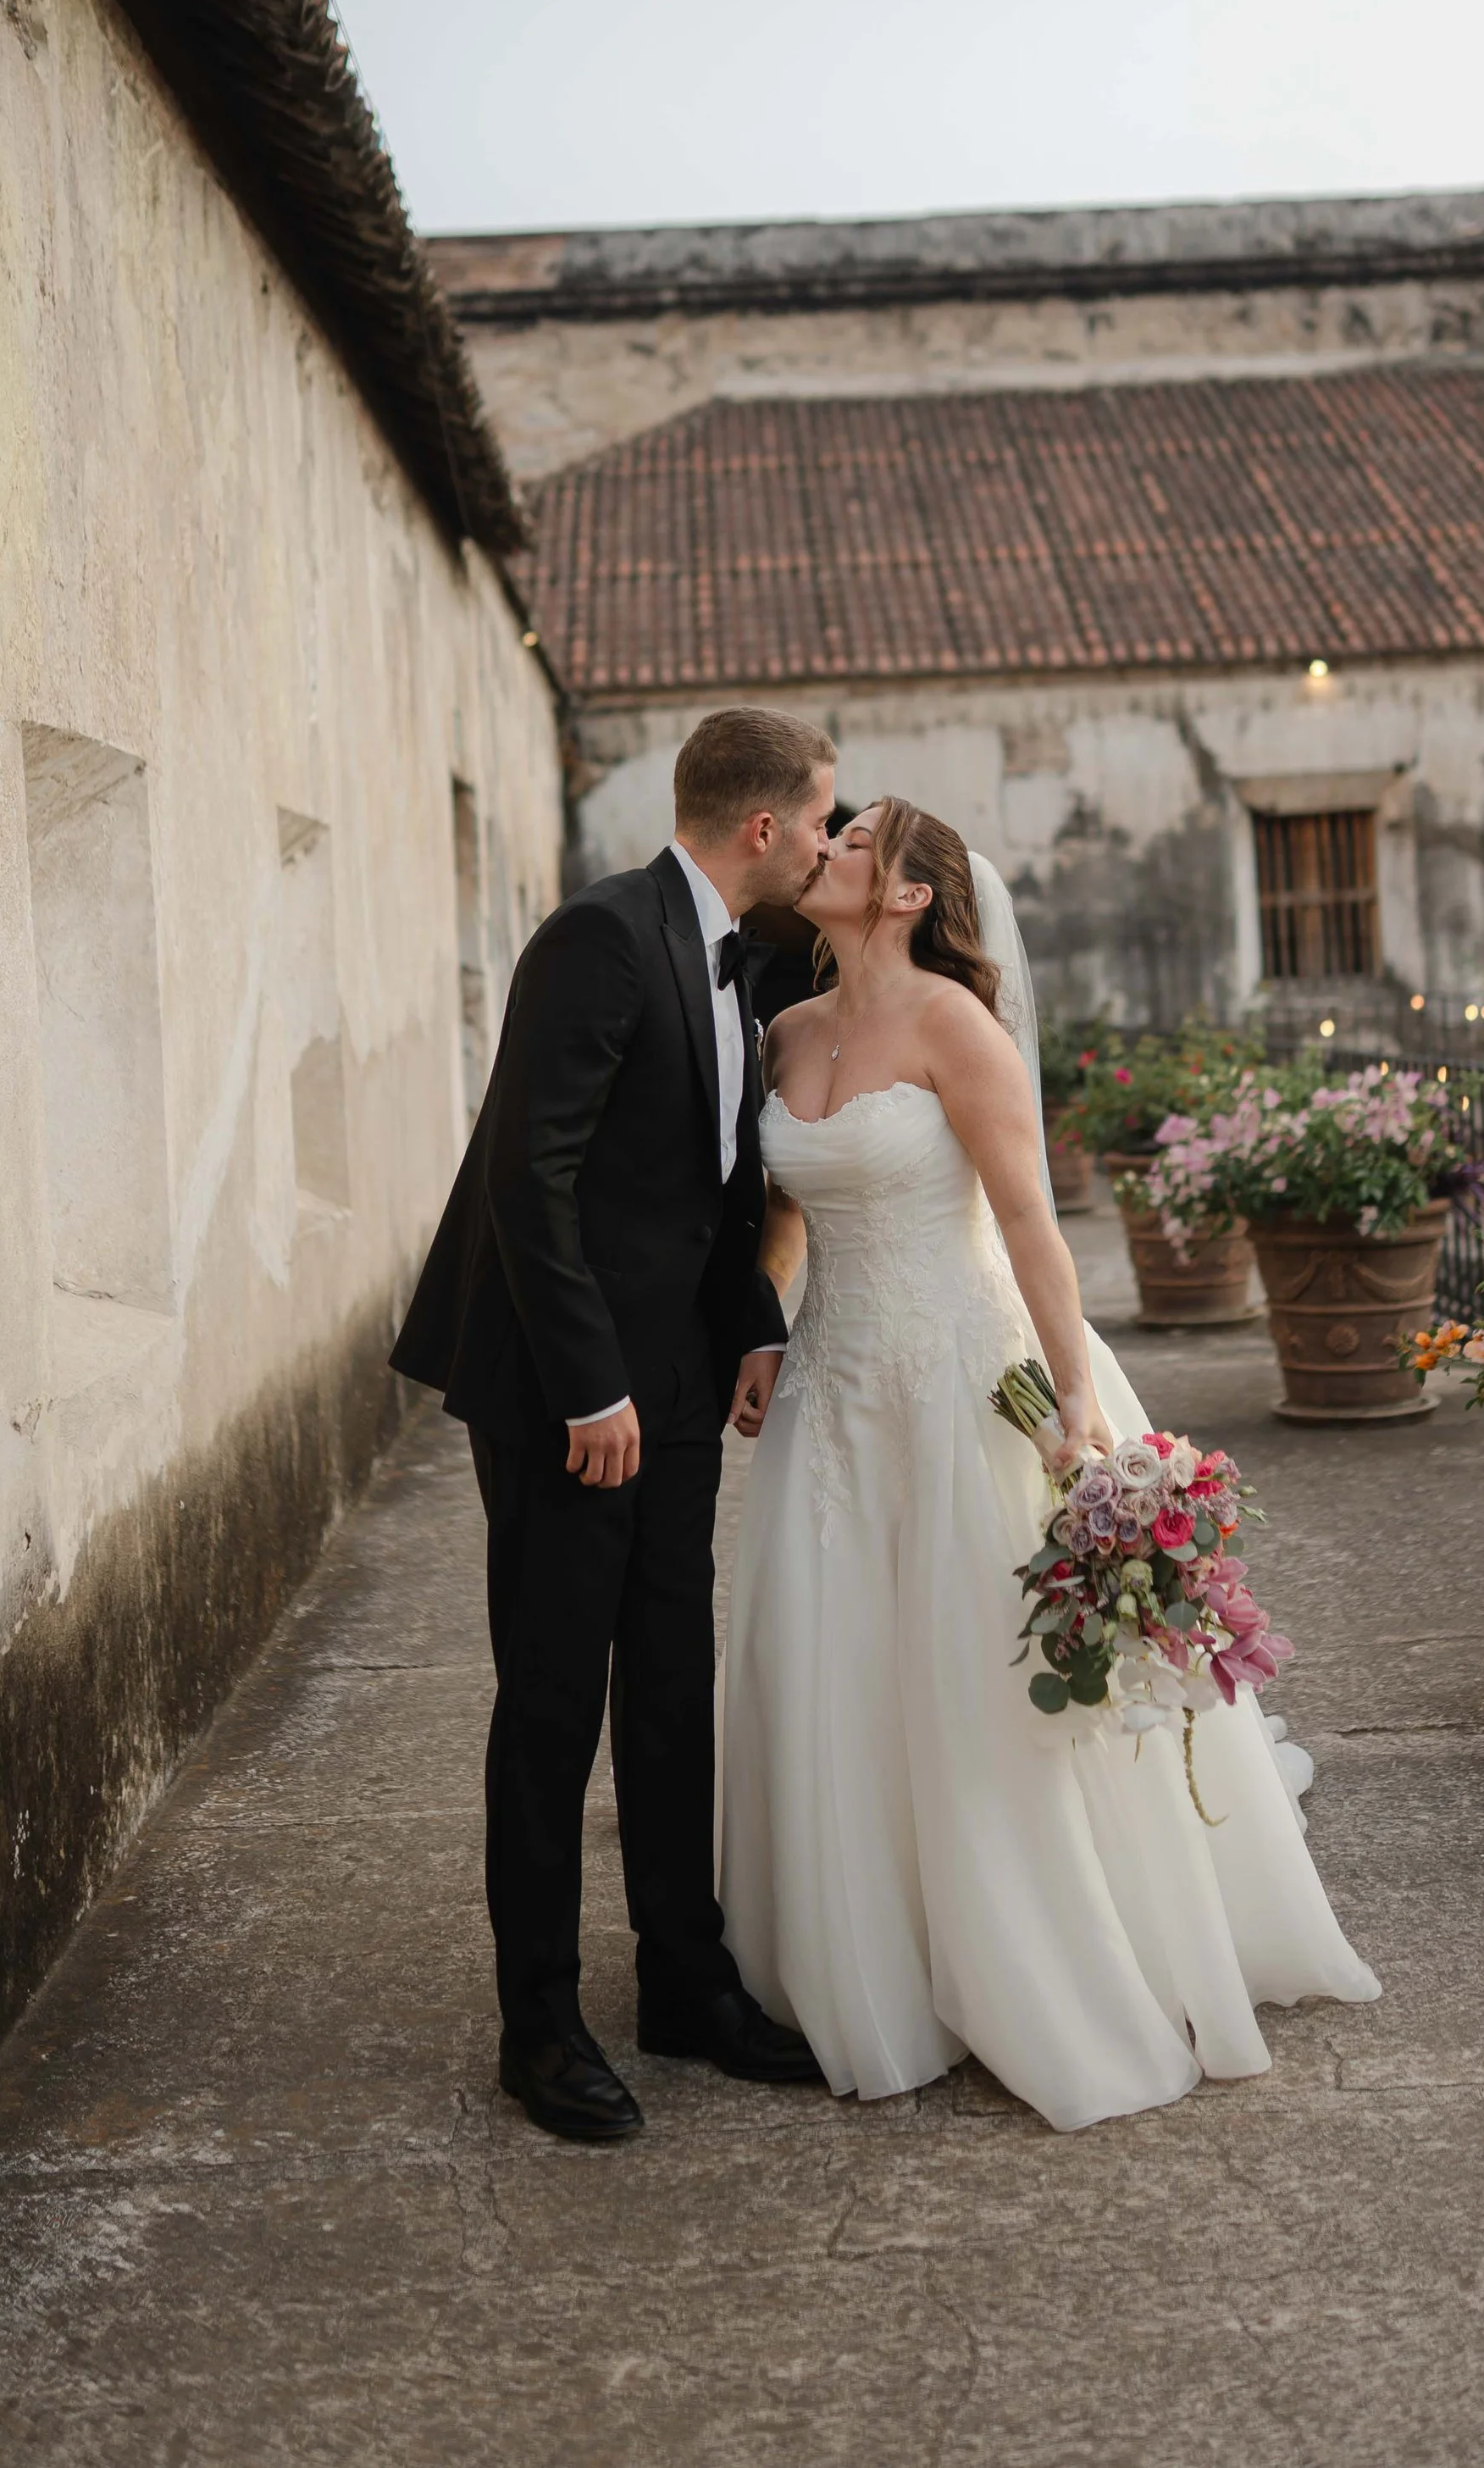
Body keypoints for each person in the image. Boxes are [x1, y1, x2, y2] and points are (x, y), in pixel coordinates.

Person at [719, 798, 1382, 2131]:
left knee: (969, 1668)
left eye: (855, 846)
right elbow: (788, 1208)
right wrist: (760, 1326)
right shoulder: (784, 1032)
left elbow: (1029, 1218)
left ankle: (1029, 1954)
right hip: (833, 1394)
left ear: (908, 895)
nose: (827, 852)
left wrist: (1077, 1403)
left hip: (967, 1382)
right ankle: (871, 1955)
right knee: (835, 1661)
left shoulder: (956, 1027)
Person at [391, 707, 838, 2142]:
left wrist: (750, 1329)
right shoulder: (597, 937)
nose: (831, 842)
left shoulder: (748, 960)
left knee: (670, 1677)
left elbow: (707, 1188)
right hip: (561, 1388)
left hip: (681, 1387)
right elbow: (536, 1181)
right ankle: (539, 2025)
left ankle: (683, 1981)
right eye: (821, 818)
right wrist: (593, 1387)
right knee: (549, 1702)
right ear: (761, 827)